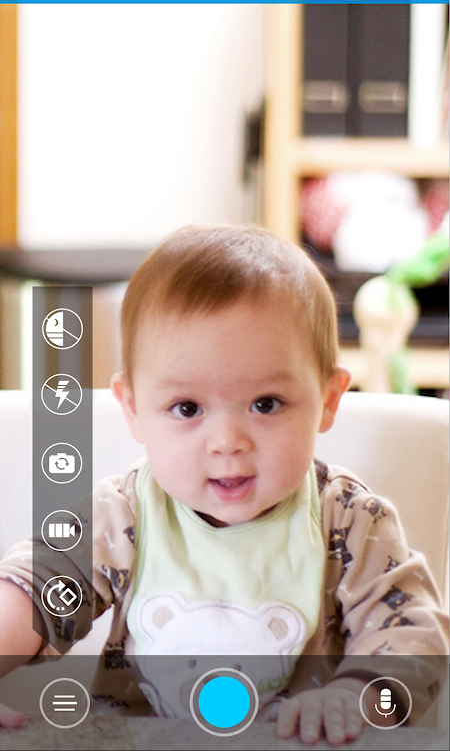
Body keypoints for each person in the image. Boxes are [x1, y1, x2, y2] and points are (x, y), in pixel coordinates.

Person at [0, 224, 448, 745]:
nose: (228, 442)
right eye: (187, 408)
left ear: (328, 399)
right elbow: (31, 593)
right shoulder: (123, 516)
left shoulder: (348, 519)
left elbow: (411, 636)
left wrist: (357, 697)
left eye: (266, 404)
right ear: (134, 410)